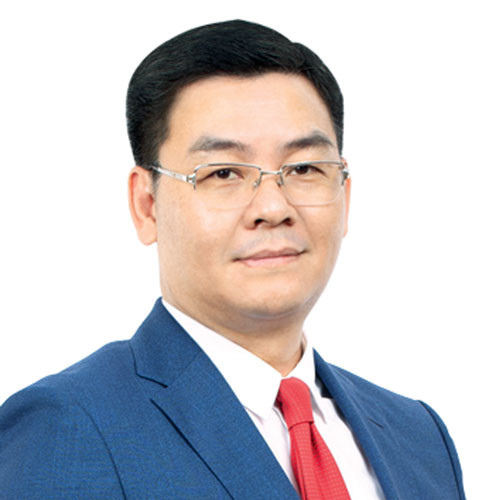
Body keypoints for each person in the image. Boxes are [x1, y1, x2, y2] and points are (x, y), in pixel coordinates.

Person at [0, 19, 466, 500]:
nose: (273, 208)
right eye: (223, 173)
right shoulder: (67, 428)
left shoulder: (418, 436)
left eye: (304, 168)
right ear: (147, 205)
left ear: (344, 195)